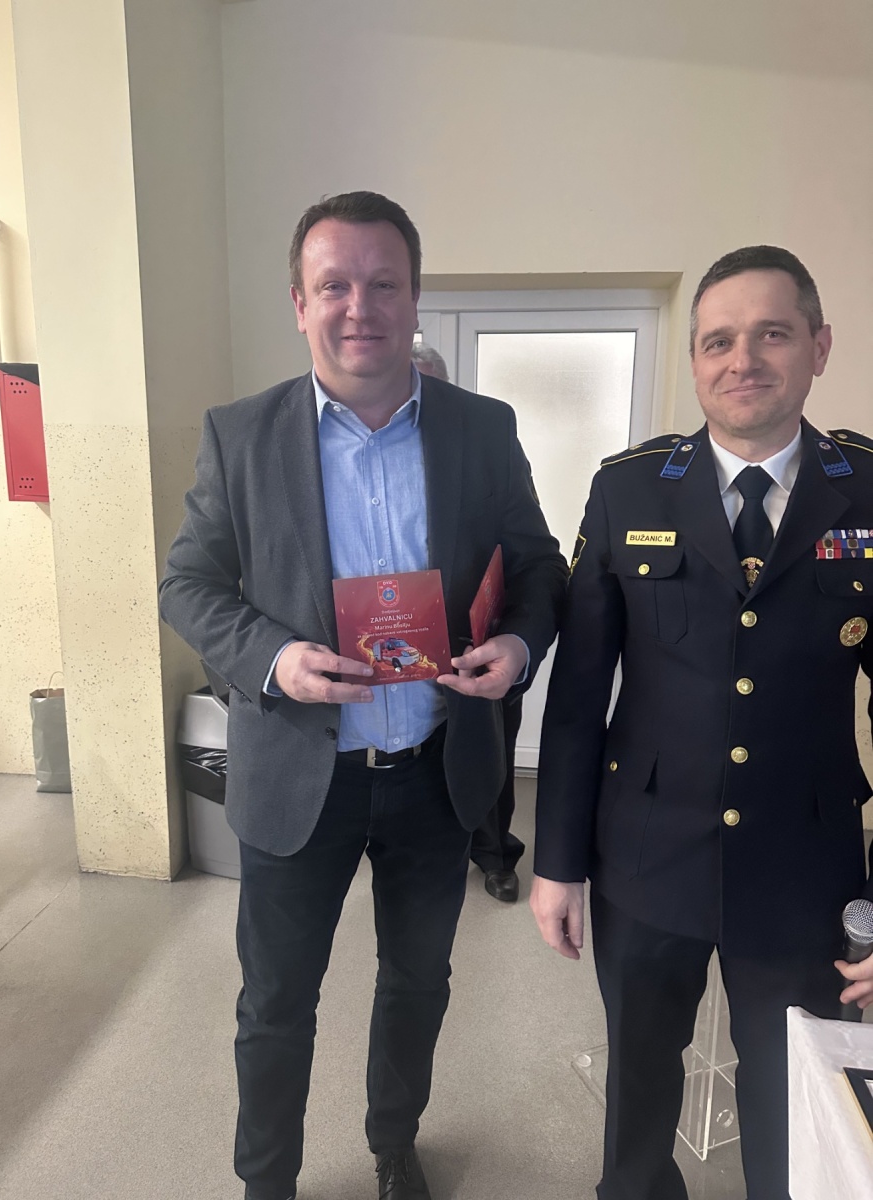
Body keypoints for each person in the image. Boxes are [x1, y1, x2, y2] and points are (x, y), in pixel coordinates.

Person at [160, 191, 566, 1200]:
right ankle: (267, 1182)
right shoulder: (240, 435)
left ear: (414, 297)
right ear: (299, 302)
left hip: (435, 772)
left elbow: (539, 566)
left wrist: (517, 645)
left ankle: (394, 1144)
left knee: (418, 982)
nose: (360, 307)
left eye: (384, 284)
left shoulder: (481, 430)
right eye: (334, 285)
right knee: (275, 1003)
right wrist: (275, 658)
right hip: (299, 773)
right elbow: (188, 584)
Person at [529, 245, 873, 1200]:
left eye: (773, 334)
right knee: (638, 1095)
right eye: (719, 341)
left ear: (819, 346)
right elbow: (579, 695)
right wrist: (557, 861)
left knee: (798, 1101)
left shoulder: (867, 489)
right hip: (646, 856)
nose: (743, 360)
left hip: (806, 867)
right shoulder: (629, 488)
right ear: (694, 362)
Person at [410, 342, 526, 903]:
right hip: (402, 662)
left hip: (481, 647)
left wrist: (516, 638)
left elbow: (530, 552)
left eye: (426, 383)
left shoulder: (482, 438)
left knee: (492, 763)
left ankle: (496, 856)